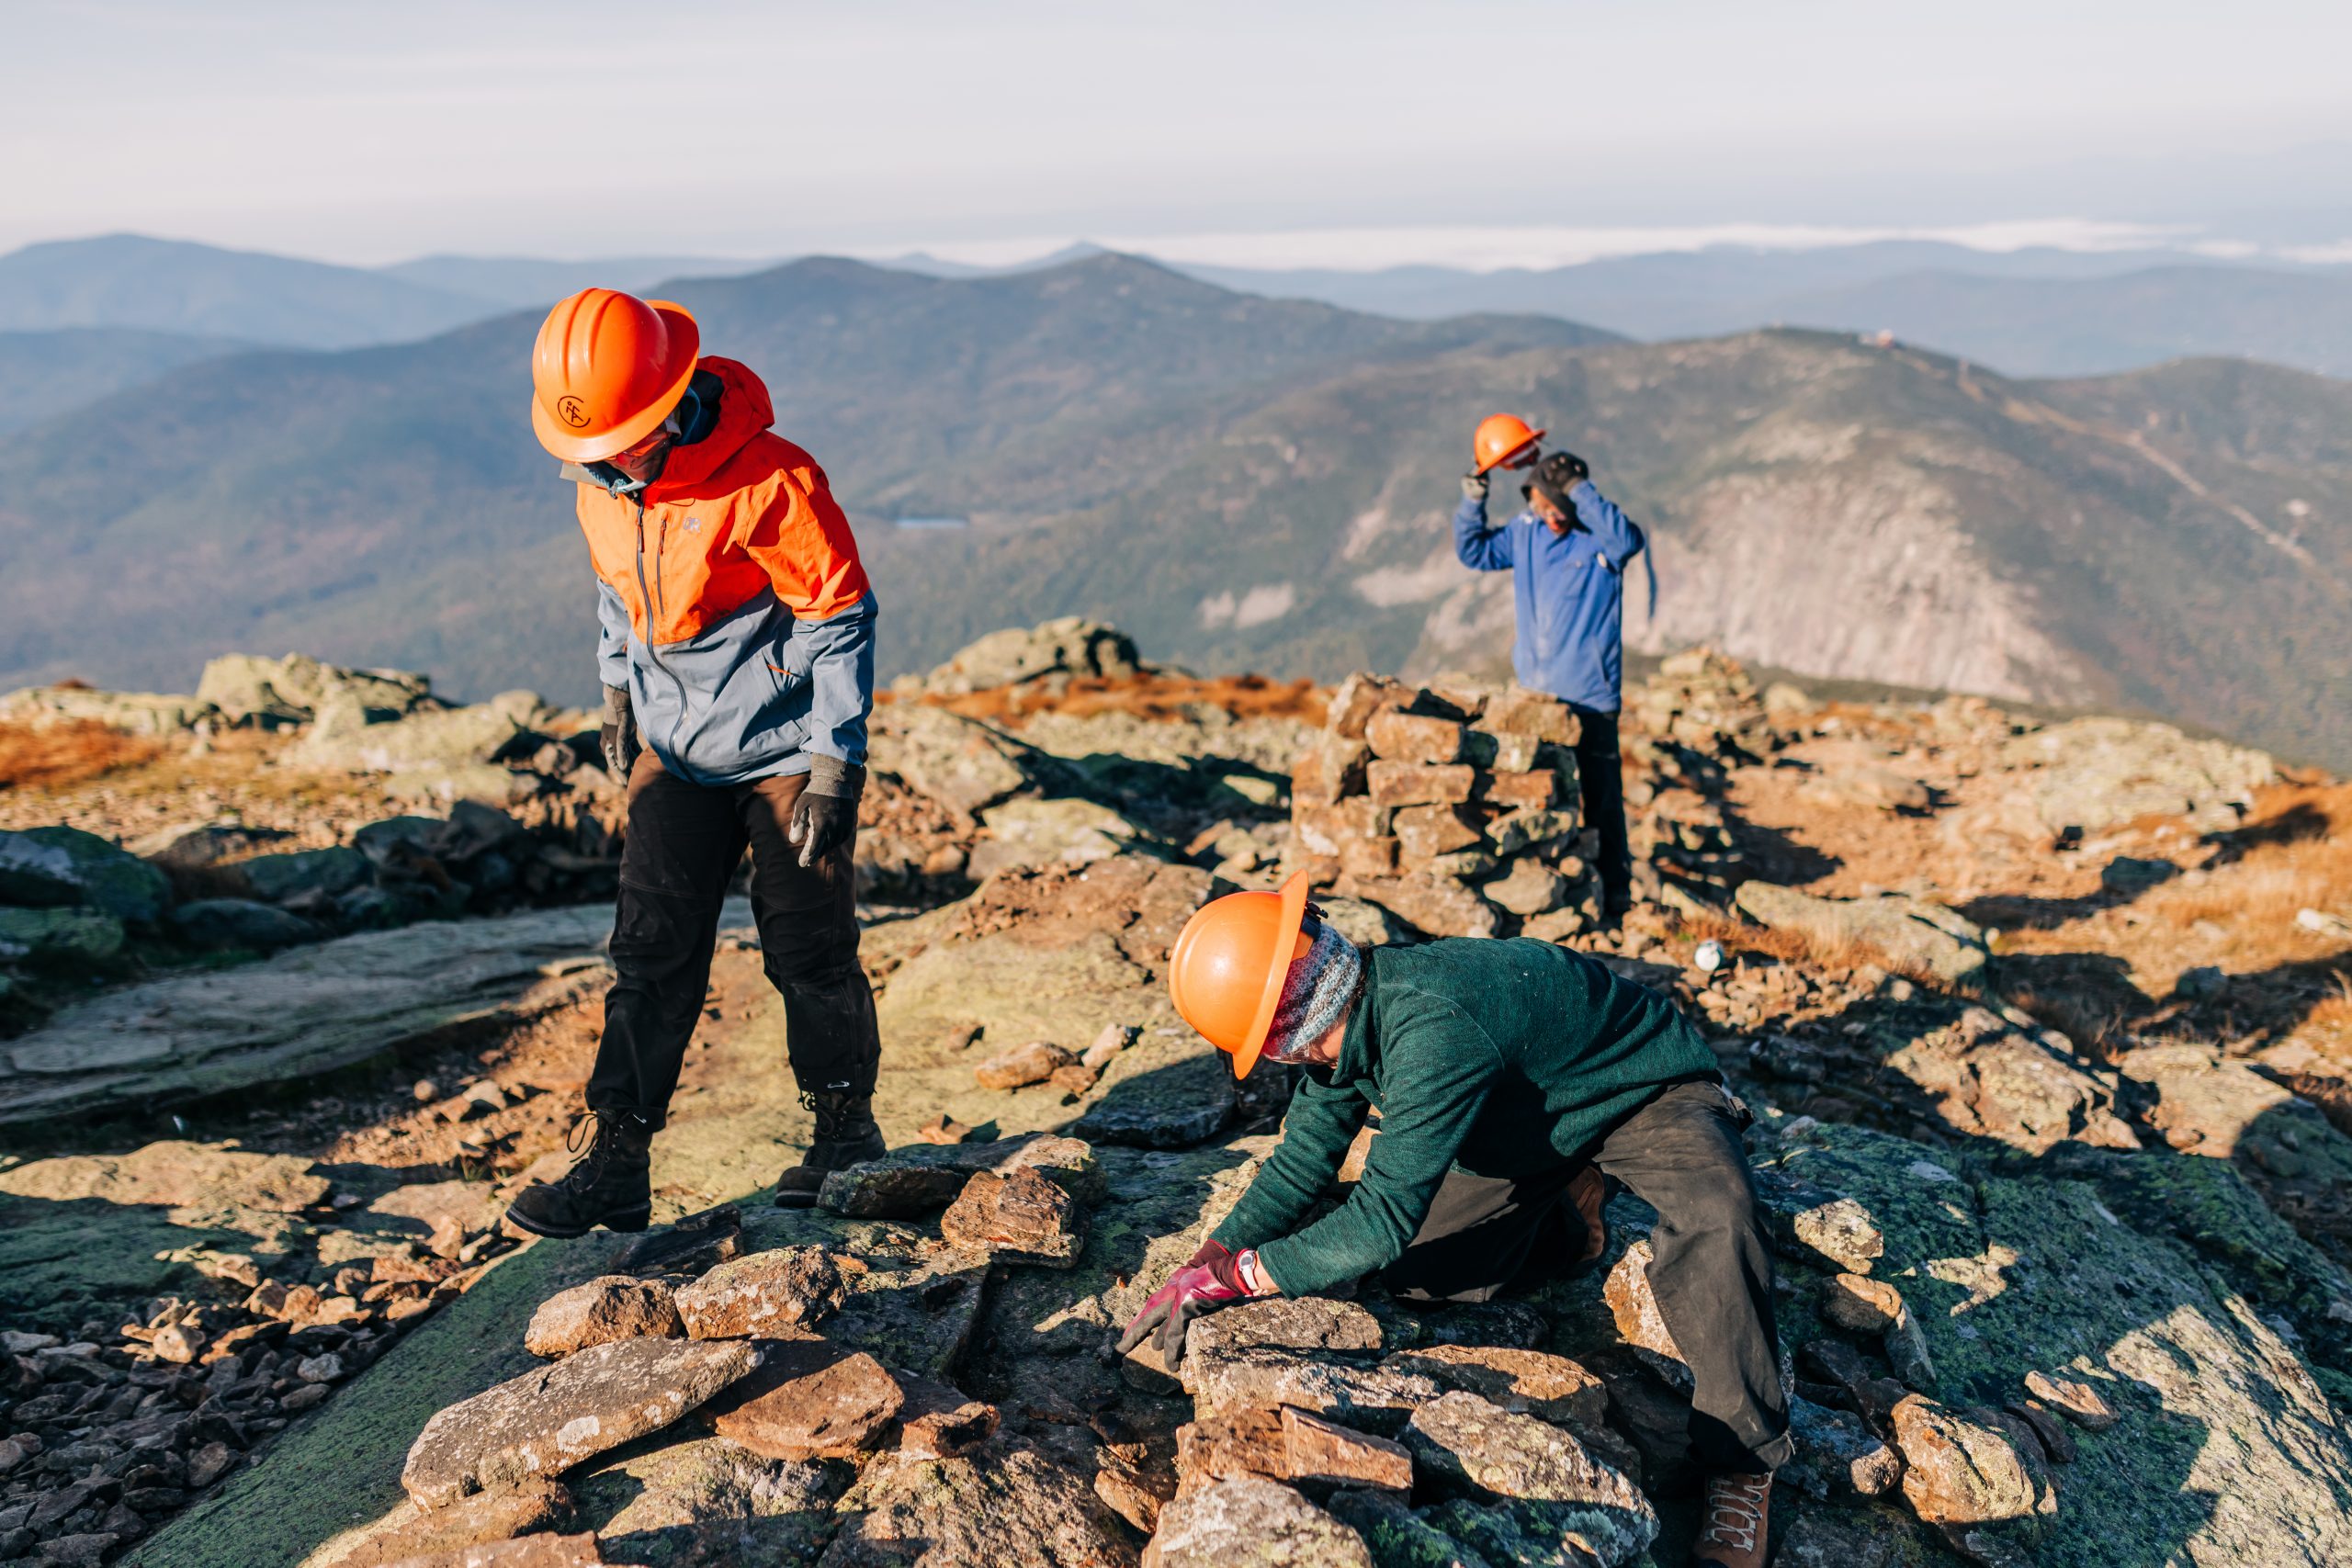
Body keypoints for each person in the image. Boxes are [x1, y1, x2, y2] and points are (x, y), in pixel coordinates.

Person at [1120, 873, 1787, 1568]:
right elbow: (1304, 1158)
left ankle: (1742, 1465)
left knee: (1722, 1217)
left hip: (1642, 1087)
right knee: (1421, 1274)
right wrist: (1213, 1251)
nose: (1278, 1060)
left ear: (1293, 1026)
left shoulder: (1431, 1026)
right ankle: (1572, 1208)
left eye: (1270, 1047)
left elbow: (1380, 1217)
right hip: (1522, 1122)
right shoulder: (1347, 1028)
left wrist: (1246, 1276)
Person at [504, 287, 884, 1237]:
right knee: (648, 958)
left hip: (786, 753)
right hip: (675, 754)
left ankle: (845, 1140)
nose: (604, 464)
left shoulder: (770, 479)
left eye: (620, 442)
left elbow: (838, 620)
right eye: (589, 450)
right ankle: (618, 1165)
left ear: (673, 401)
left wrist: (836, 765)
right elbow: (614, 597)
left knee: (810, 952)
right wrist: (616, 691)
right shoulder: (602, 482)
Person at [1454, 422, 1645, 918]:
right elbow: (1473, 552)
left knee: (1601, 799)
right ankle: (1558, 890)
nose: (1549, 514)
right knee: (1544, 795)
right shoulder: (1526, 534)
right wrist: (1473, 498)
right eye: (1541, 505)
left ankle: (1615, 893)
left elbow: (1628, 539)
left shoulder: (1599, 541)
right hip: (1537, 697)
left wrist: (1578, 486)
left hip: (1590, 697)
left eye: (1557, 506)